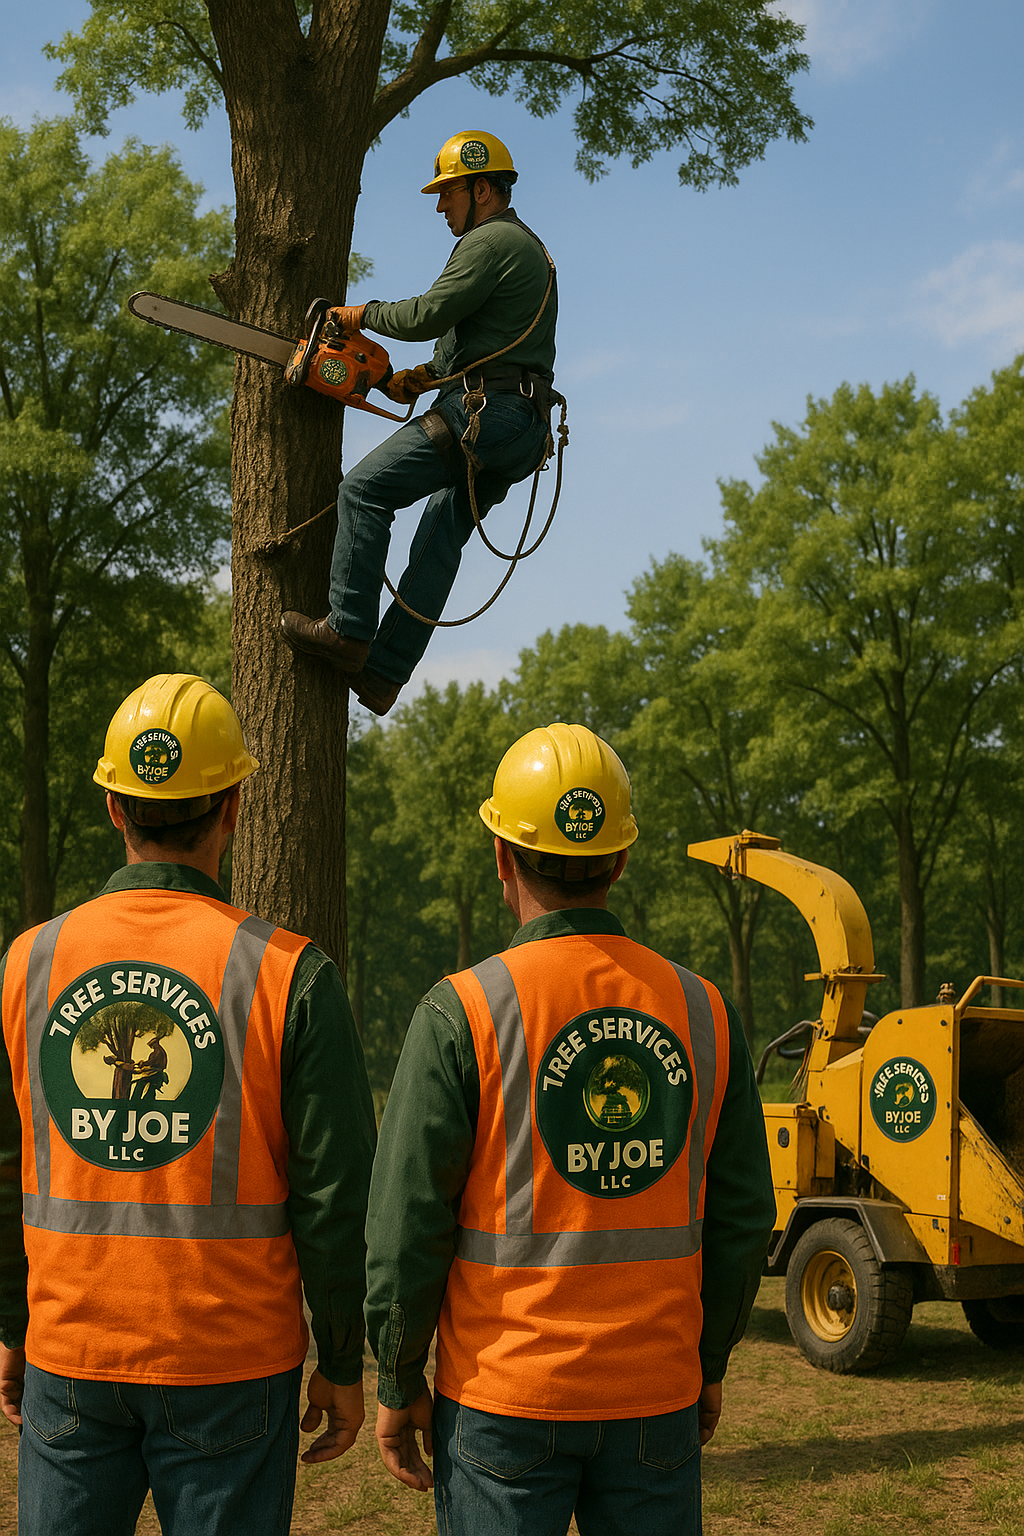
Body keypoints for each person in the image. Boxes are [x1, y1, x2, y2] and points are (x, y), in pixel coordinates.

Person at [363, 724, 776, 1536]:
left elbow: (407, 1224)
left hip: (503, 1397)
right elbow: (741, 1220)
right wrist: (710, 1360)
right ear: (621, 862)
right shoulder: (705, 1012)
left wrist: (398, 1373)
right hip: (655, 1395)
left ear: (501, 857)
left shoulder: (463, 1012)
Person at [0, 673, 376, 1536]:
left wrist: (15, 1322)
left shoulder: (27, 964)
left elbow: (4, 1167)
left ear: (111, 807)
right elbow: (336, 1194)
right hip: (231, 1368)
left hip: (72, 1355)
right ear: (236, 807)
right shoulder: (290, 973)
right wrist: (344, 1357)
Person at [281, 129, 558, 717]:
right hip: (520, 427)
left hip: (484, 414)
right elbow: (473, 340)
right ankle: (383, 674)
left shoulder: (490, 242)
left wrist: (361, 314)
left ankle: (349, 629)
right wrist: (418, 377)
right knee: (440, 531)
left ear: (483, 189)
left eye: (447, 193)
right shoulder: (526, 249)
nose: (439, 207)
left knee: (362, 489)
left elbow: (432, 312)